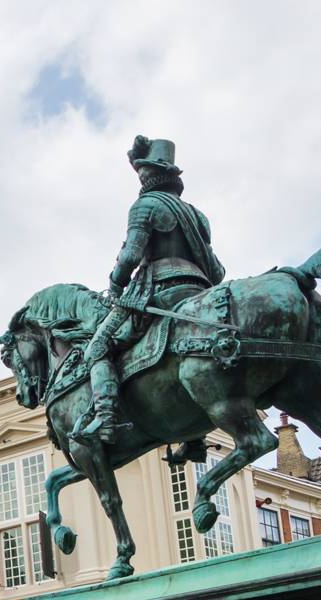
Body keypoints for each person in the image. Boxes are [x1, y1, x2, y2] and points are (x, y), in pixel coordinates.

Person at [76, 135, 225, 444]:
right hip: (199, 289)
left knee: (97, 347)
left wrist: (115, 285)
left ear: (150, 174)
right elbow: (218, 269)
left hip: (159, 290)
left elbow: (131, 255)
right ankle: (193, 441)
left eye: (142, 169)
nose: (139, 175)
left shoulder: (145, 206)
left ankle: (105, 420)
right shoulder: (198, 215)